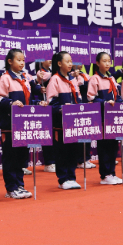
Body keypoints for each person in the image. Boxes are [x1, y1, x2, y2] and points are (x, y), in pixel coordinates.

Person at [0, 49, 48, 199]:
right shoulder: (5, 78)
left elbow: (27, 101)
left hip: (24, 126)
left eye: (23, 60)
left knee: (21, 157)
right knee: (10, 157)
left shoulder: (25, 78)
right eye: (18, 60)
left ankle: (20, 185)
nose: (22, 63)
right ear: (10, 61)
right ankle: (11, 188)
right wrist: (11, 103)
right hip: (10, 126)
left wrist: (38, 103)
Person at [47, 51, 82, 190]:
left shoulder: (73, 80)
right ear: (59, 63)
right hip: (60, 124)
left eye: (71, 61)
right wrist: (63, 108)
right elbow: (51, 103)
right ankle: (63, 179)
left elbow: (78, 98)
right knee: (62, 152)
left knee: (73, 151)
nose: (70, 64)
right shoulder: (54, 79)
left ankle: (71, 177)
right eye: (67, 61)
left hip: (73, 123)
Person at [87, 52, 122, 185]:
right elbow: (91, 98)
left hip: (113, 117)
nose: (107, 63)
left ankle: (112, 173)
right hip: (102, 117)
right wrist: (105, 103)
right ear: (97, 63)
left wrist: (122, 103)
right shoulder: (95, 79)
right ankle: (105, 175)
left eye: (109, 61)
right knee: (104, 147)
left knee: (113, 146)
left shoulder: (111, 78)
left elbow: (117, 96)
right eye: (104, 61)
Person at [35, 60, 55, 173]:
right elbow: (45, 77)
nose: (50, 60)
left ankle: (53, 161)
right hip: (43, 107)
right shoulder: (40, 73)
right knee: (47, 135)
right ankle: (49, 162)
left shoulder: (50, 72)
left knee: (53, 135)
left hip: (51, 107)